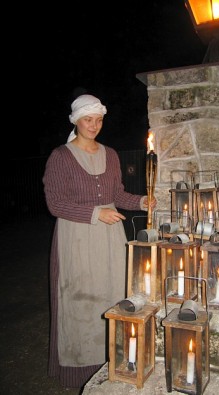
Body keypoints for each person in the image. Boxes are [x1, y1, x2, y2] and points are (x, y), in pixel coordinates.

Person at [43, 93, 156, 389]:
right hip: (77, 239)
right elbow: (56, 204)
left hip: (110, 240)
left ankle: (116, 359)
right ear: (75, 120)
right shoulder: (61, 156)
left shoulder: (111, 153)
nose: (94, 125)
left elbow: (117, 196)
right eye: (88, 119)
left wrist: (142, 201)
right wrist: (95, 213)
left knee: (112, 295)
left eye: (99, 120)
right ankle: (82, 365)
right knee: (80, 302)